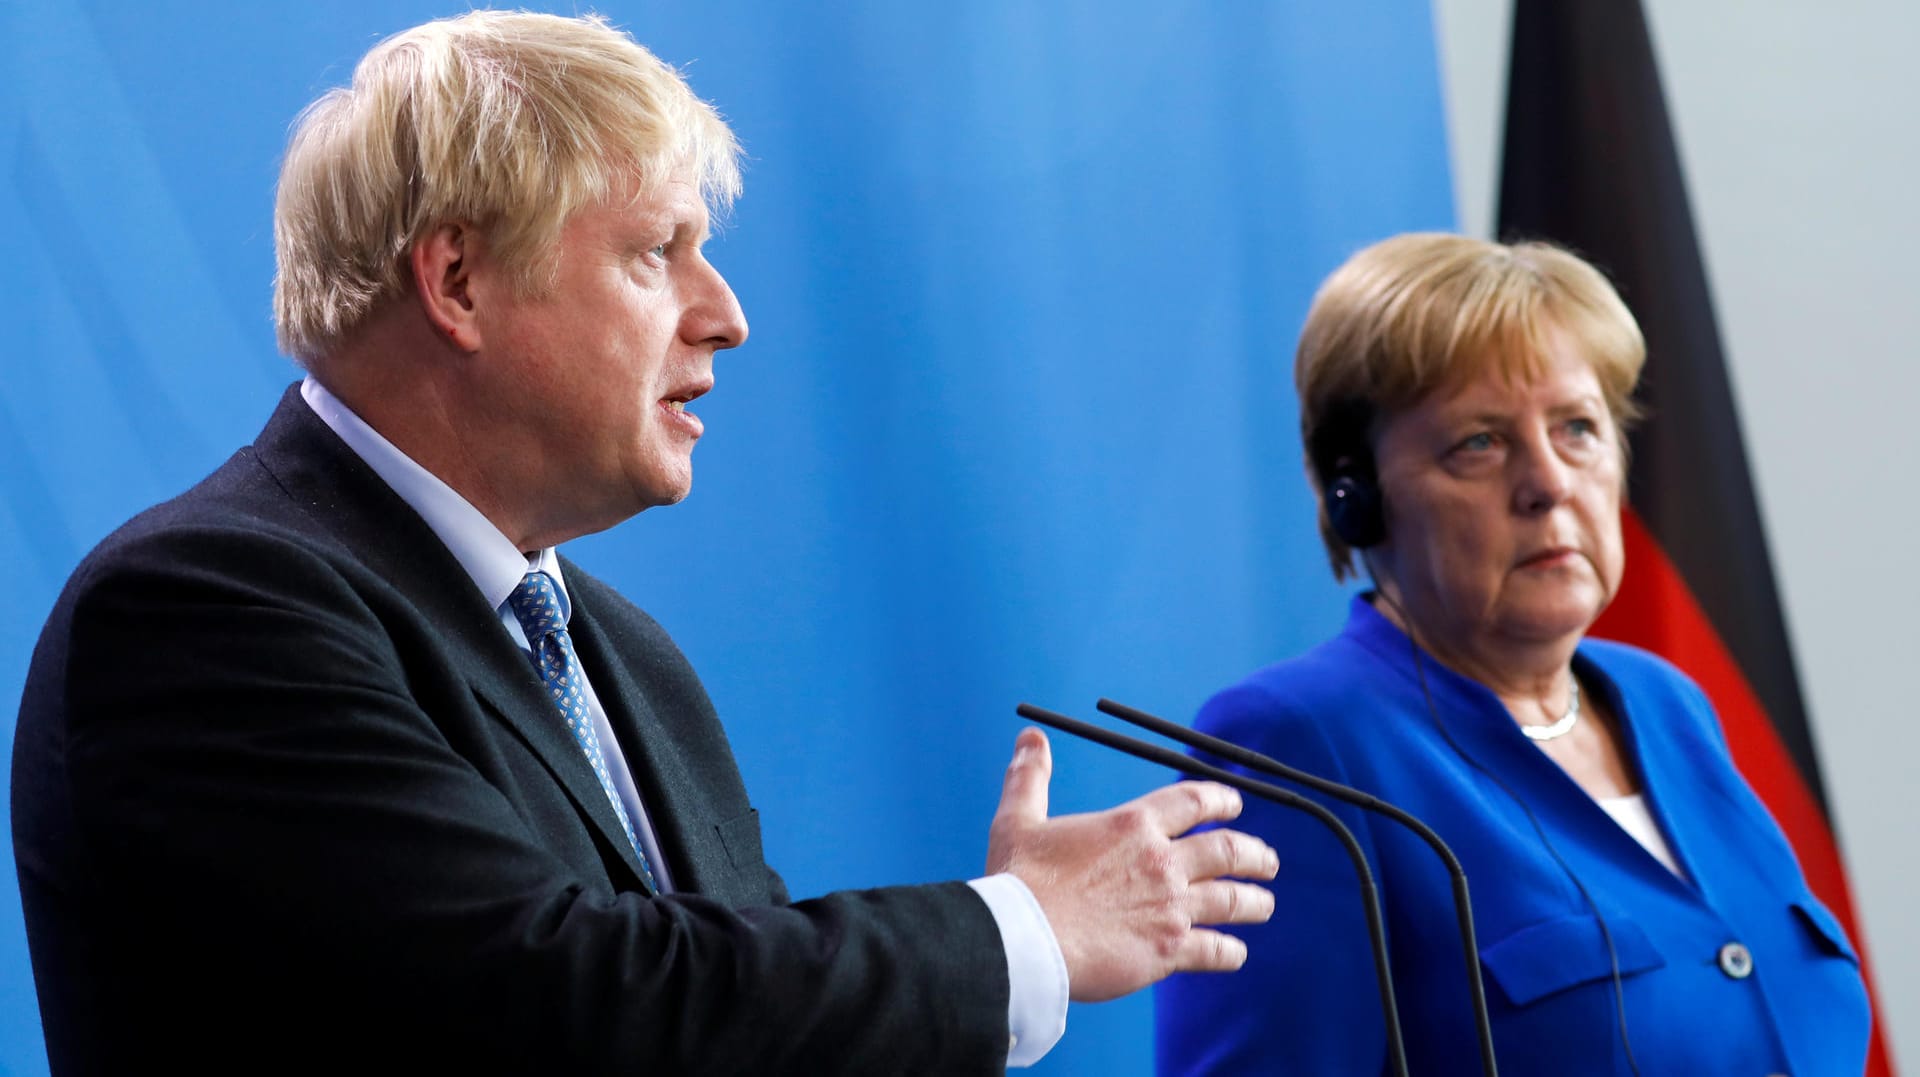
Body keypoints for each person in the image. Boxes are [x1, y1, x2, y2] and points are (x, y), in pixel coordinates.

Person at [10, 12, 1280, 1075]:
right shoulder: (203, 608)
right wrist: (1015, 938)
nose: (724, 315)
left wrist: (996, 961)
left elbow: (740, 1034)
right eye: (655, 253)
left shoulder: (624, 655)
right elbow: (552, 1011)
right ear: (456, 284)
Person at [1155, 233, 1870, 1074]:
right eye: (1480, 443)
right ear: (1359, 501)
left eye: (1577, 428)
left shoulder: (1667, 703)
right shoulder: (1297, 747)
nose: (1548, 482)